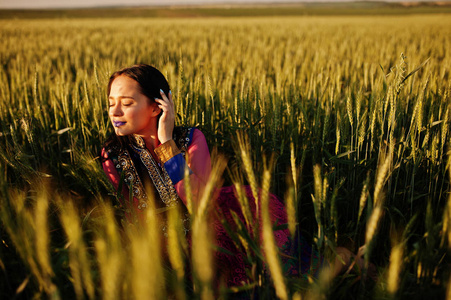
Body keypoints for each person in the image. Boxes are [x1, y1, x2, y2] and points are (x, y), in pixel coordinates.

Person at [100, 64, 372, 288]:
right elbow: (134, 217)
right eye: (111, 103)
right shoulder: (112, 155)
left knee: (288, 277)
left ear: (157, 107)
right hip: (167, 247)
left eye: (126, 103)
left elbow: (199, 203)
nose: (115, 111)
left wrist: (167, 144)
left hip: (220, 225)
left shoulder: (191, 138)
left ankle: (344, 260)